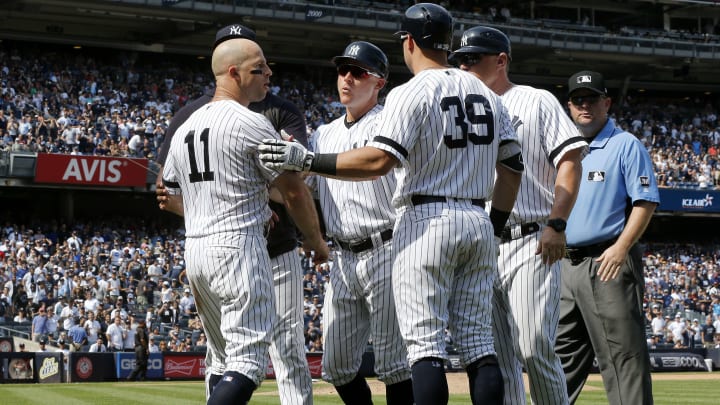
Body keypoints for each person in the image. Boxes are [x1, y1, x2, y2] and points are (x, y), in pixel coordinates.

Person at [259, 4, 522, 404]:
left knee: (423, 347)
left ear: (409, 42)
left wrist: (307, 160)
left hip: (425, 218)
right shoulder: (486, 92)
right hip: (476, 218)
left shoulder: (411, 92)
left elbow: (379, 162)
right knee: (477, 344)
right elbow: (513, 169)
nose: (347, 78)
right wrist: (496, 224)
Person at [160, 32, 327, 405]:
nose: (269, 73)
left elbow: (168, 192)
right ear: (233, 73)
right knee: (249, 362)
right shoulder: (250, 122)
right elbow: (295, 191)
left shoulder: (187, 125)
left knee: (220, 359)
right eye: (259, 68)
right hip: (237, 246)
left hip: (197, 249)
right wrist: (316, 242)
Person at [449, 26, 585, 405]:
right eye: (460, 60)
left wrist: (557, 223)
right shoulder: (460, 108)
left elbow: (570, 162)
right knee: (497, 357)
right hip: (481, 240)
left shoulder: (535, 100)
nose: (464, 65)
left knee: (534, 345)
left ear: (502, 60)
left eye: (473, 59)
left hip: (531, 236)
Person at [307, 41, 413, 404]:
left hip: (386, 248)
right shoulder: (323, 133)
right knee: (335, 366)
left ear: (379, 82)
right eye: (342, 70)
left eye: (358, 72)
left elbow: (377, 167)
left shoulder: (389, 124)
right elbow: (300, 190)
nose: (347, 78)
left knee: (394, 365)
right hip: (342, 257)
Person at [555, 70, 658, 405]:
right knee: (558, 358)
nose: (585, 105)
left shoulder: (625, 144)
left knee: (623, 358)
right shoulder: (563, 149)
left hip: (607, 261)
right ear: (568, 105)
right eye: (578, 99)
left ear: (606, 102)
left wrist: (621, 248)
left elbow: (645, 202)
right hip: (564, 263)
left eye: (592, 98)